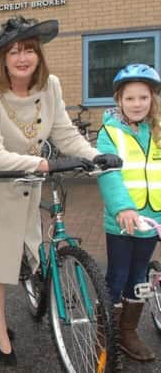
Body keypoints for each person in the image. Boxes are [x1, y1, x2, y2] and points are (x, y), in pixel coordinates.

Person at [0, 15, 121, 366]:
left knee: (19, 260)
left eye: (29, 50)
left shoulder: (50, 87)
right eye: (14, 51)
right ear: (3, 59)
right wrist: (41, 164)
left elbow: (64, 133)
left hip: (27, 187)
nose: (22, 57)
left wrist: (94, 155)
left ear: (39, 55)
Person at [96, 63, 161, 362]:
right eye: (130, 98)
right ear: (119, 100)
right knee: (118, 276)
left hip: (153, 220)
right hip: (122, 221)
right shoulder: (110, 132)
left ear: (152, 100)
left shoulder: (158, 131)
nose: (137, 104)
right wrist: (122, 207)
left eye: (143, 98)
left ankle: (129, 331)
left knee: (140, 276)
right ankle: (106, 330)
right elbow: (109, 174)